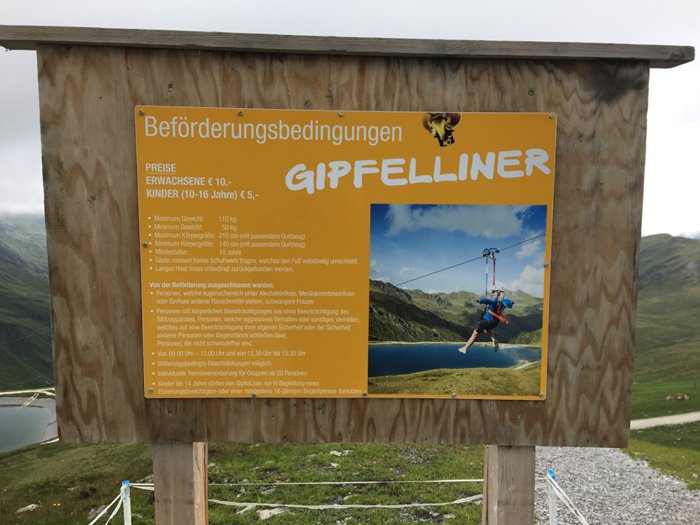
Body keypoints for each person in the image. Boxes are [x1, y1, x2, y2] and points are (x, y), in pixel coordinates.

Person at [458, 288, 514, 354]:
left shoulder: (495, 300)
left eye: (493, 292)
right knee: (487, 329)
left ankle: (465, 348)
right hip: (495, 322)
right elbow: (493, 303)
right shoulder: (502, 302)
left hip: (486, 320)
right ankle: (494, 339)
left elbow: (488, 300)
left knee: (474, 334)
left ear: (498, 293)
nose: (492, 293)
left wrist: (479, 300)